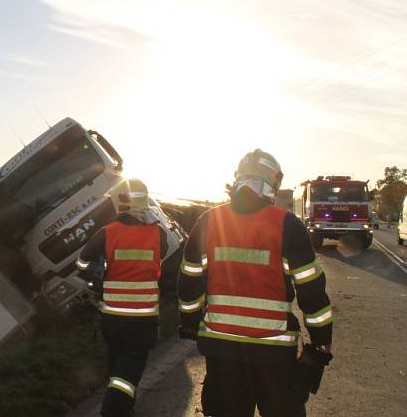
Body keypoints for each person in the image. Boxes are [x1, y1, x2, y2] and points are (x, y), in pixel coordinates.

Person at [177, 149, 333, 417]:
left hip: (221, 348)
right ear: (272, 184)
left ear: (238, 179)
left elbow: (190, 280)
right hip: (274, 353)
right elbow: (312, 293)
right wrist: (320, 343)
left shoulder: (208, 221)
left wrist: (190, 322)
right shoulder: (288, 225)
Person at [76, 178, 169, 417]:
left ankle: (121, 409)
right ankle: (113, 411)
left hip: (112, 319)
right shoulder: (158, 233)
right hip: (144, 321)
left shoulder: (106, 233)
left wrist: (96, 273)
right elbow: (162, 256)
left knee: (118, 368)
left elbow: (81, 262)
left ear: (121, 203)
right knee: (127, 376)